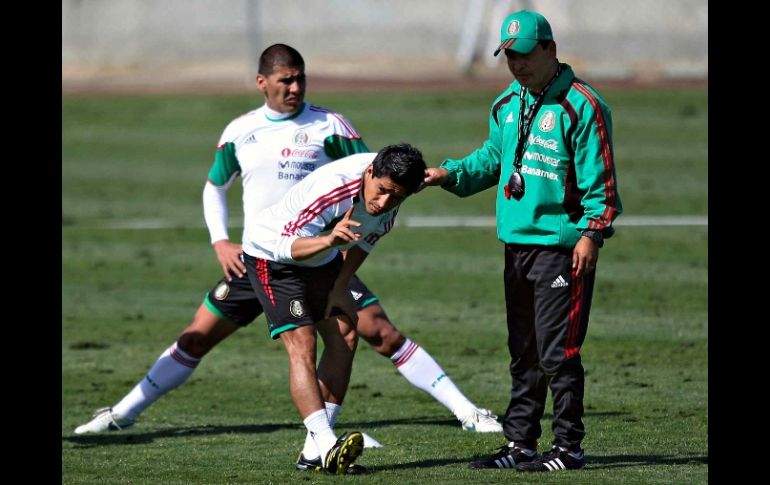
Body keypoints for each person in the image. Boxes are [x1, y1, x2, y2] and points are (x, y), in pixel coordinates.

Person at [73, 44, 501, 462]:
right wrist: (221, 240)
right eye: (285, 79)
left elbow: (378, 183)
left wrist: (412, 188)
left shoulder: (332, 127)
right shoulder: (241, 131)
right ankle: (121, 414)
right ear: (262, 83)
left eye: (301, 78)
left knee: (370, 332)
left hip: (322, 250)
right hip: (266, 252)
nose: (295, 87)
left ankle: (462, 412)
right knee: (201, 335)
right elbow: (215, 188)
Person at [424, 10, 622, 473]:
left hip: (561, 247)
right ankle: (521, 444)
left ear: (550, 49)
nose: (517, 64)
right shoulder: (507, 103)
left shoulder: (582, 105)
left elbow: (602, 184)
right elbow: (494, 159)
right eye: (509, 55)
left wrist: (591, 235)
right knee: (524, 352)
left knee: (558, 352)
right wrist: (449, 174)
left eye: (525, 54)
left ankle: (568, 448)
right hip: (516, 244)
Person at [242, 143, 428, 474]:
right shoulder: (331, 190)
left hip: (321, 256)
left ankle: (314, 453)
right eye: (382, 190)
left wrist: (339, 288)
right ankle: (328, 444)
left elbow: (365, 241)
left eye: (396, 197)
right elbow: (286, 247)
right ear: (370, 172)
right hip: (270, 253)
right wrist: (330, 242)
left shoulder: (392, 196)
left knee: (345, 334)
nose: (384, 202)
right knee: (303, 342)